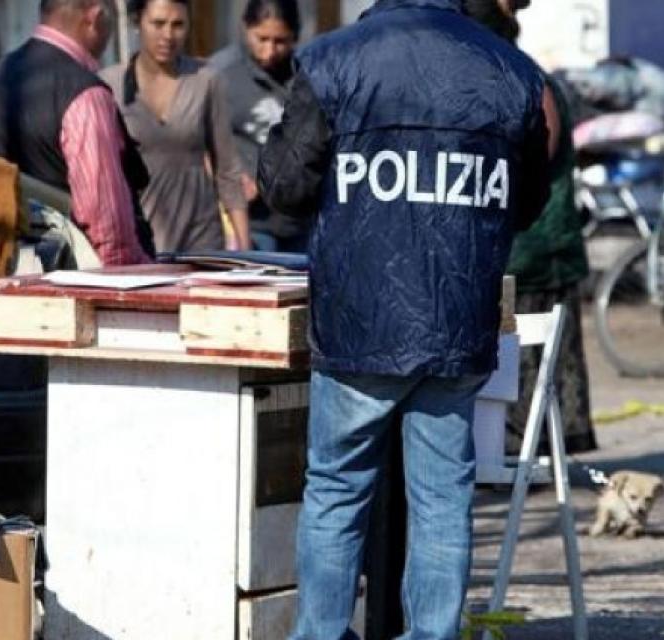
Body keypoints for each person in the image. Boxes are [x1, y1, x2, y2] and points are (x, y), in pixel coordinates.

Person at [257, 1, 551, 638]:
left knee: (337, 491)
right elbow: (528, 203)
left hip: (359, 324)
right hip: (457, 320)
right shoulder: (512, 71)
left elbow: (285, 187)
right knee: (443, 499)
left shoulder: (334, 59)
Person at [465, 0, 597, 456]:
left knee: (527, 369)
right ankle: (516, 458)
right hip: (514, 251)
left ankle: (522, 459)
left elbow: (535, 158)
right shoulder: (509, 77)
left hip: (536, 253)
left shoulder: (527, 80)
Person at [0, 0, 154, 266]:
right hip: (79, 276)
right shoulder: (86, 93)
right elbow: (108, 226)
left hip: (10, 269)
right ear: (94, 17)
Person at [100, 0, 250, 253]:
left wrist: (245, 249)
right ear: (137, 22)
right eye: (158, 24)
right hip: (138, 236)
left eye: (178, 25)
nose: (168, 35)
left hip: (201, 237)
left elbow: (227, 169)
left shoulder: (205, 79)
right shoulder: (110, 84)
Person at [210, 0, 310, 253]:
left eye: (280, 41)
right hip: (252, 224)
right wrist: (235, 177)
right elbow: (200, 141)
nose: (270, 51)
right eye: (262, 39)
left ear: (295, 36)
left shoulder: (307, 72)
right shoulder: (221, 74)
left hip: (301, 221)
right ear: (245, 28)